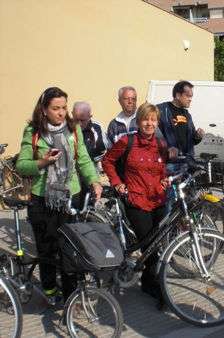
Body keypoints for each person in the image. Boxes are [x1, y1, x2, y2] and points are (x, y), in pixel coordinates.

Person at [16, 87, 102, 314]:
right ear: (44, 109)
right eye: (56, 108)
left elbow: (83, 158)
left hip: (69, 198)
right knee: (47, 251)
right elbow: (22, 165)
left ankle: (72, 297)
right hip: (42, 200)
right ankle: (50, 294)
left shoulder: (74, 130)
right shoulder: (33, 132)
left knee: (69, 250)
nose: (61, 112)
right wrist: (41, 163)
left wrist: (95, 180)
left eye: (64, 107)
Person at [102, 103, 170, 309]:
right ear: (139, 121)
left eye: (153, 120)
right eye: (146, 119)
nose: (149, 123)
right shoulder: (127, 141)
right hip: (136, 200)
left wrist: (165, 179)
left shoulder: (160, 144)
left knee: (155, 245)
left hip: (158, 199)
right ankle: (157, 287)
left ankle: (148, 283)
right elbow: (107, 161)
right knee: (149, 245)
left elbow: (161, 169)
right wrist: (117, 182)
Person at [156, 80, 204, 209]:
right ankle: (168, 228)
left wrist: (197, 136)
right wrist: (167, 147)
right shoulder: (161, 110)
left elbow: (191, 140)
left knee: (187, 200)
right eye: (188, 96)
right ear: (178, 95)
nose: (191, 99)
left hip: (186, 162)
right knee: (169, 200)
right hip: (169, 164)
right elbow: (153, 135)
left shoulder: (187, 115)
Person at [72, 101, 111, 176]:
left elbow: (104, 150)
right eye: (76, 119)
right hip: (71, 169)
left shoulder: (97, 127)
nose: (79, 123)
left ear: (90, 117)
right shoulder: (66, 127)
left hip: (91, 167)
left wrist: (85, 160)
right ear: (72, 114)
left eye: (83, 120)